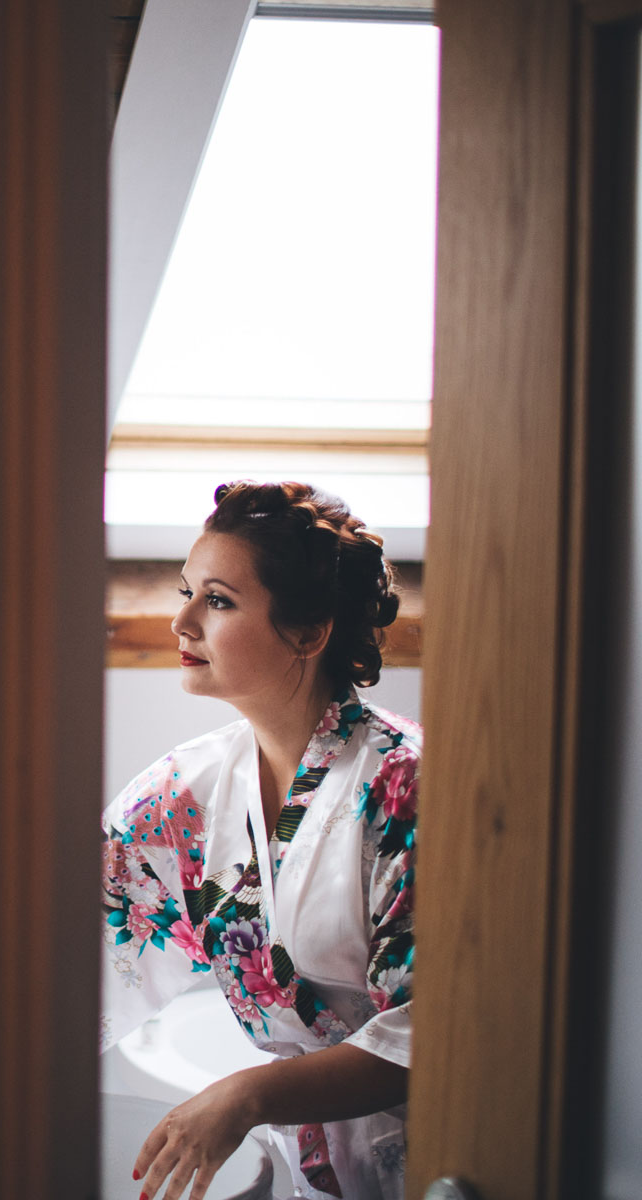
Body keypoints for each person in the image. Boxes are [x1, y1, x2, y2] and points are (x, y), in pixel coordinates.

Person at [101, 480, 418, 1200]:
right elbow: (72, 955)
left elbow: (433, 1029)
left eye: (216, 600)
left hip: (435, 1155)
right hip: (305, 1172)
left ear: (309, 632)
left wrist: (248, 1096)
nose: (180, 621)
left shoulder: (406, 783)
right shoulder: (178, 797)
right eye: (186, 592)